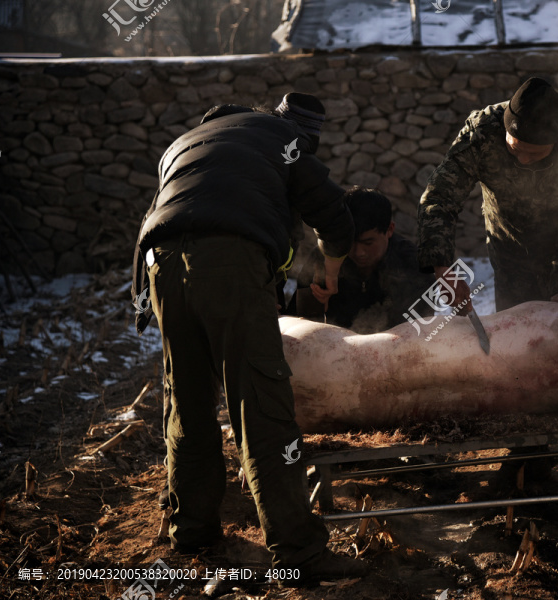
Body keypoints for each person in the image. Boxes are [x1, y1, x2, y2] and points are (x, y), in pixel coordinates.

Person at [130, 93, 365, 585]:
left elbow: (169, 215)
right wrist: (332, 269)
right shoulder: (286, 141)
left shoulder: (187, 142)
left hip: (159, 266)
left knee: (187, 399)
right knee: (260, 402)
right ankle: (299, 552)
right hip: (228, 263)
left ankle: (191, 530)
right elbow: (334, 216)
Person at [417, 77, 558, 313]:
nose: (524, 160)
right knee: (516, 337)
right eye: (516, 149)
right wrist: (441, 265)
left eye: (535, 154)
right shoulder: (482, 134)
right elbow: (439, 198)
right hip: (511, 255)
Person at [295, 187, 435, 333]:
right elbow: (301, 324)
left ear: (389, 230)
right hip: (334, 347)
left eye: (368, 243)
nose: (359, 252)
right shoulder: (324, 259)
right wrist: (316, 305)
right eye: (350, 243)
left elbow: (422, 330)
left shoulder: (414, 265)